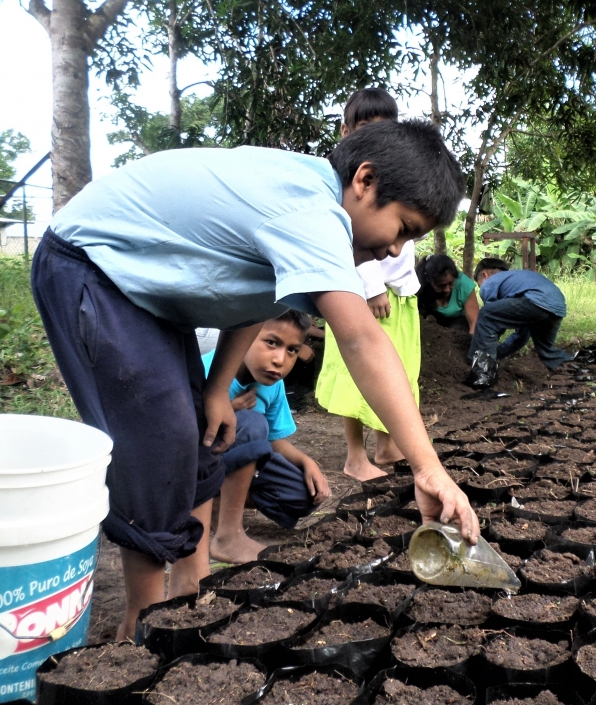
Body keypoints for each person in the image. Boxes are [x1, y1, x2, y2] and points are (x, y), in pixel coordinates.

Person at [31, 118, 479, 642]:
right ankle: (140, 629)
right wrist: (428, 468)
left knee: (195, 430)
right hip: (93, 267)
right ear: (365, 180)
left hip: (145, 291)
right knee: (158, 437)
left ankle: (189, 588)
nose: (395, 251)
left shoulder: (308, 200)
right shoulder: (311, 211)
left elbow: (251, 292)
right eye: (403, 228)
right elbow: (360, 338)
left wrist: (217, 387)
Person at [317, 88, 421, 482]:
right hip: (363, 295)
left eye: (383, 130)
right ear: (345, 130)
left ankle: (386, 444)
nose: (374, 139)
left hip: (401, 292)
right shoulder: (344, 179)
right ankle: (355, 455)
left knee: (397, 370)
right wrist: (372, 285)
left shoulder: (397, 174)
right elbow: (348, 239)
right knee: (357, 371)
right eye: (364, 129)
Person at [203, 310, 329, 563]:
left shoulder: (273, 386)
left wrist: (306, 461)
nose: (280, 359)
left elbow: (271, 439)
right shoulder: (205, 370)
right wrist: (227, 412)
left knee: (303, 494)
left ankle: (220, 504)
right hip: (196, 464)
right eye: (271, 343)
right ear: (243, 336)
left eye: (292, 350)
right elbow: (176, 431)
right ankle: (228, 536)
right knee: (251, 423)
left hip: (240, 461)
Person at [467, 258, 573, 387]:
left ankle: (483, 376)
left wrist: (474, 354)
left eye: (479, 284)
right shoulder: (518, 280)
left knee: (485, 314)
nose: (481, 289)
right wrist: (498, 353)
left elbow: (490, 322)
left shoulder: (491, 281)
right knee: (546, 349)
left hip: (535, 300)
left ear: (484, 274)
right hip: (556, 308)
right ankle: (575, 372)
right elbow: (520, 338)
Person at [416, 254, 479, 333]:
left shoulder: (464, 285)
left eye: (451, 283)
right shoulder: (418, 287)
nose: (447, 289)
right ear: (428, 280)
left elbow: (474, 322)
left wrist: (473, 342)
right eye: (441, 286)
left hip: (458, 324)